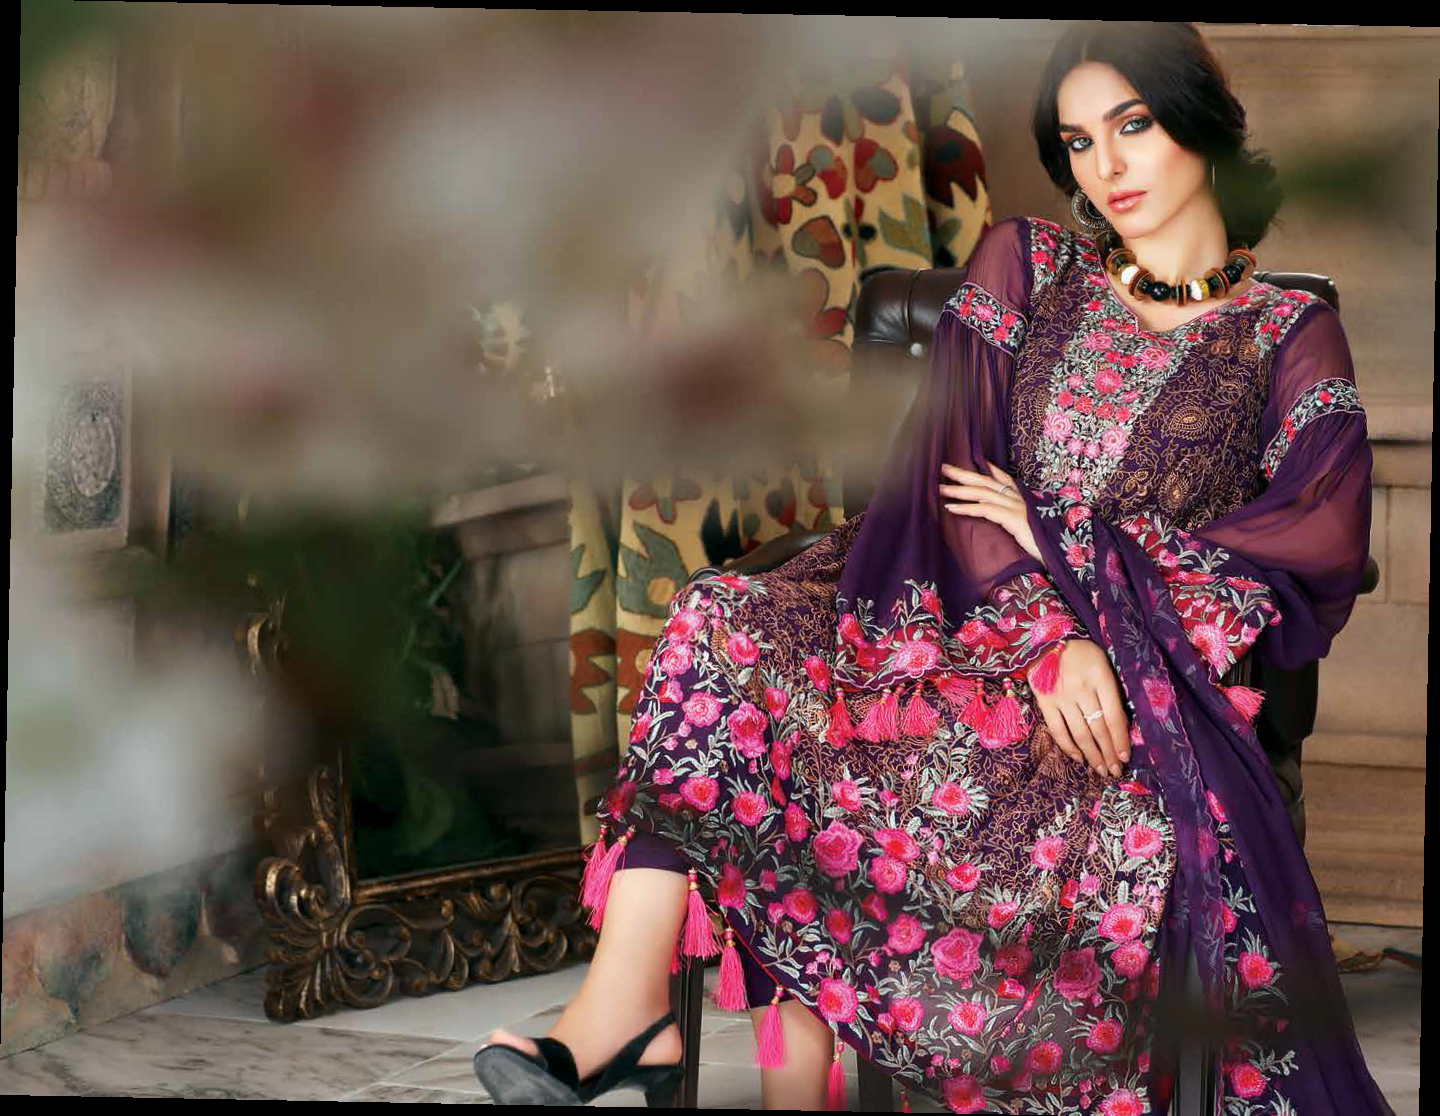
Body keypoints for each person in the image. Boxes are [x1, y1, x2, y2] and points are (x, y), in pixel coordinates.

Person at [473, 22, 1397, 1114]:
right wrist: (1048, 630)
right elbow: (954, 470)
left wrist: (1071, 555)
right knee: (721, 616)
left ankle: (712, 1042)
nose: (1106, 166)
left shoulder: (1288, 332)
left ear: (1201, 124)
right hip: (942, 610)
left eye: (1134, 126)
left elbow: (1319, 533)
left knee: (1085, 805)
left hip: (1131, 674)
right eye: (1079, 142)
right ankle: (621, 1008)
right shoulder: (1029, 263)